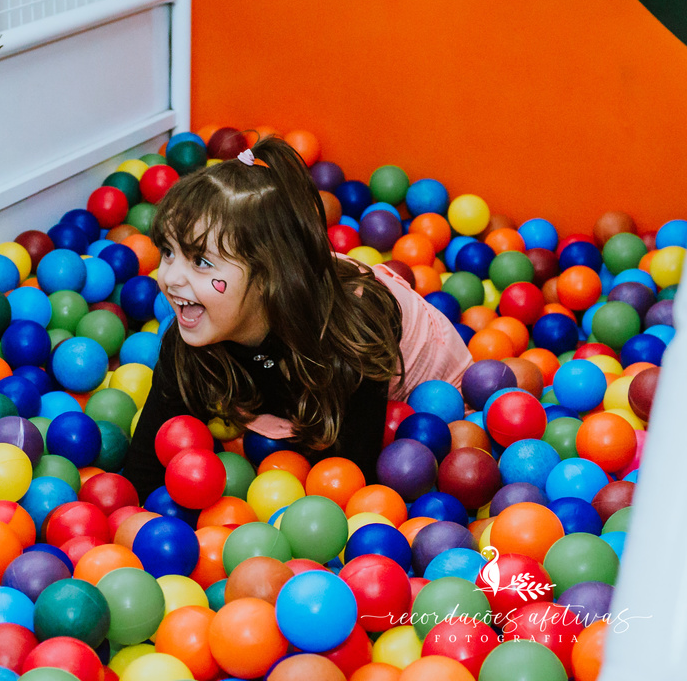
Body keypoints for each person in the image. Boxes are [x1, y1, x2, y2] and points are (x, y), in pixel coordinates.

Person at [122, 137, 472, 502]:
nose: (170, 277)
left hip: (430, 402)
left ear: (267, 276)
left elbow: (346, 485)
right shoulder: (192, 330)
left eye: (200, 262)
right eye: (167, 252)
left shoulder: (349, 336)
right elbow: (142, 472)